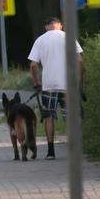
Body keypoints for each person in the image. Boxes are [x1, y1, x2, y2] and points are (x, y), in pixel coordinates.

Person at [27, 17, 83, 159]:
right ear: (61, 26)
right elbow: (80, 61)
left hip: (49, 84)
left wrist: (37, 81)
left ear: (46, 27)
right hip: (68, 85)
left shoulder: (40, 40)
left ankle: (50, 152)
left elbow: (33, 65)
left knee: (49, 117)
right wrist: (80, 81)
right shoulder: (69, 37)